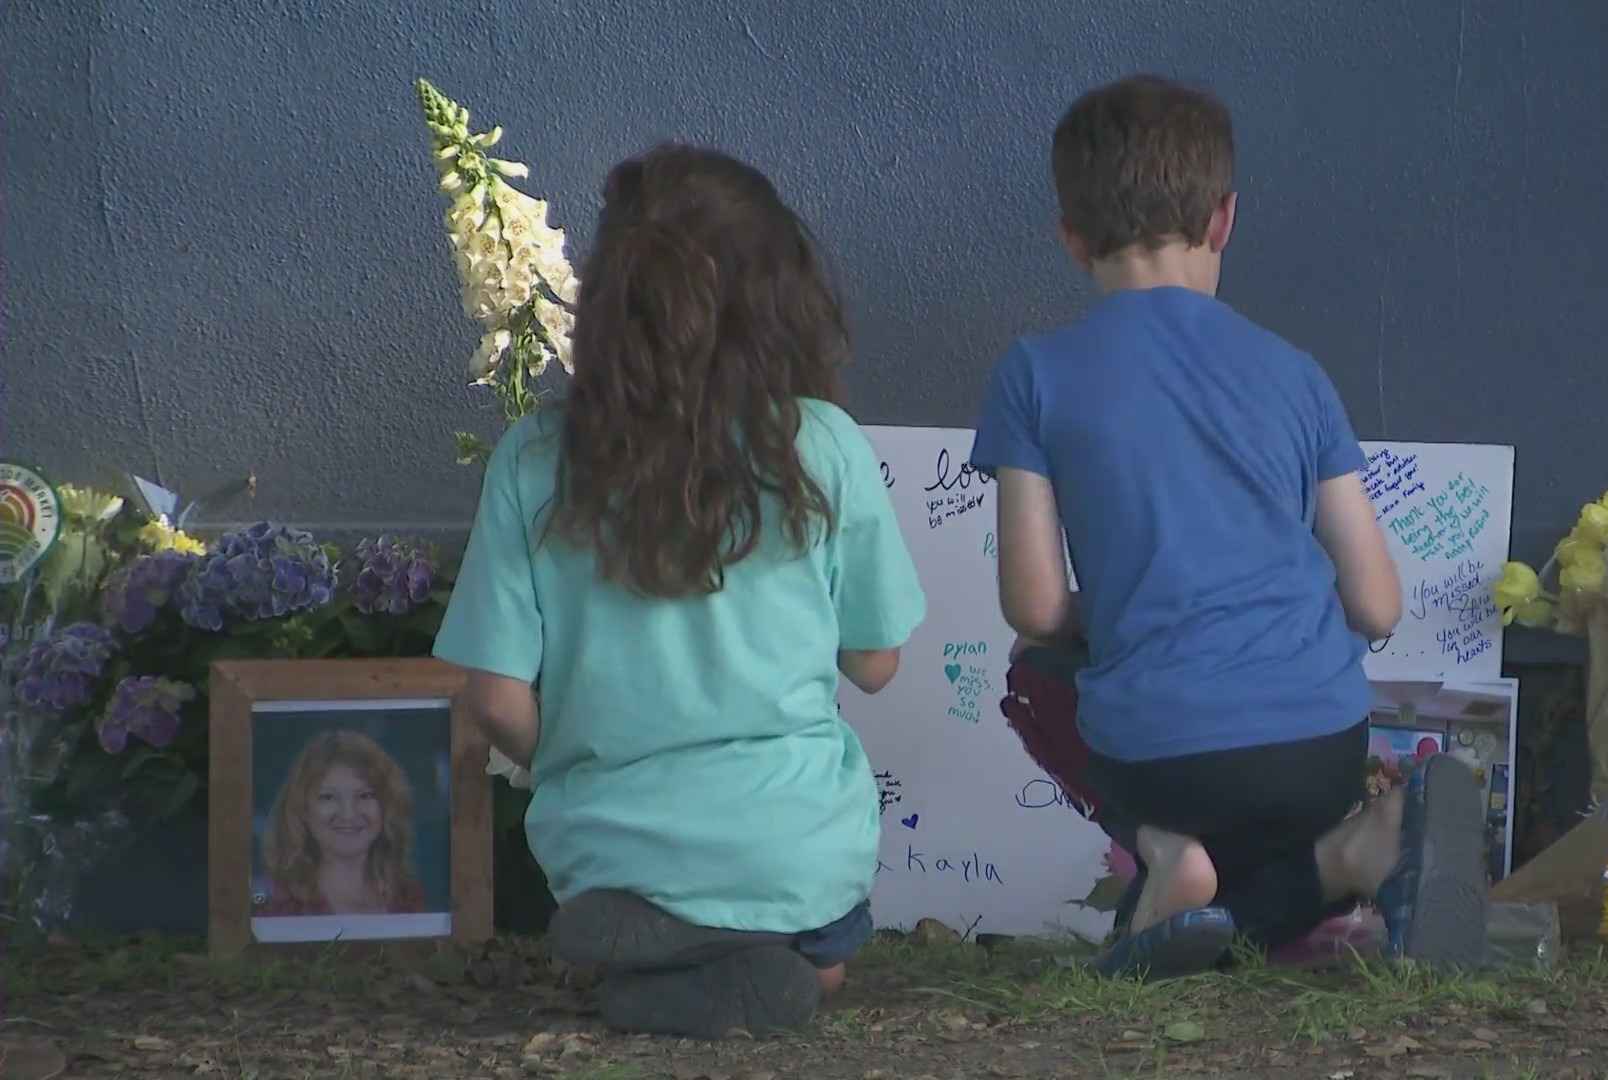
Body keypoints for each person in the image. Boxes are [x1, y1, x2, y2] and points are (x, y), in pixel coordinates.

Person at [971, 75, 1487, 980]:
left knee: (1036, 669)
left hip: (1158, 758)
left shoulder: (1034, 374)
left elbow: (1036, 605)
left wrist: (1135, 606)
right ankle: (1353, 853)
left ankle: (1169, 853)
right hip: (1318, 750)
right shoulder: (1296, 374)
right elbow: (1374, 605)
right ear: (1224, 219)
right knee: (1263, 794)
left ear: (1071, 241)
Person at [433, 144, 926, 1038]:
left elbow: (494, 699)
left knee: (643, 882)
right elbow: (877, 664)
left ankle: (658, 944)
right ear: (779, 295)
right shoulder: (825, 445)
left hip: (605, 845)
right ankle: (745, 964)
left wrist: (577, 761)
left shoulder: (536, 457)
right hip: (793, 849)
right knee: (826, 966)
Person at [256, 730, 430, 916]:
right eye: (328, 797)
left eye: (365, 795)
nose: (348, 815)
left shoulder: (408, 896)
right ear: (303, 810)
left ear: (386, 807)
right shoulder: (272, 904)